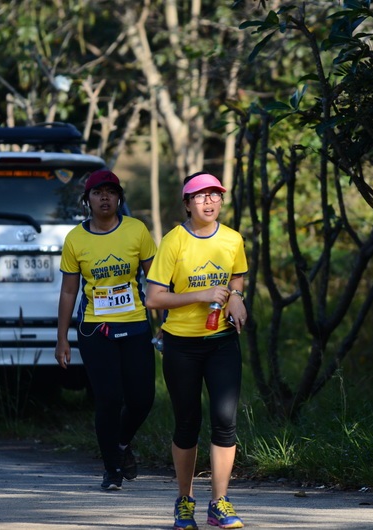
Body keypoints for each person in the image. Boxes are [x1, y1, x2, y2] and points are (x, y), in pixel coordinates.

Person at [145, 172, 248, 529]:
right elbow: (154, 298)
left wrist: (237, 297)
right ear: (187, 203)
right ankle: (184, 501)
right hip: (182, 345)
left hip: (222, 342)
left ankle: (219, 503)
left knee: (225, 421)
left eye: (215, 195)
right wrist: (201, 295)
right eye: (200, 196)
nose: (209, 201)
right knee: (188, 422)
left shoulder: (232, 239)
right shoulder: (174, 241)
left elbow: (237, 277)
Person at [56, 169, 157, 491]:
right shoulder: (76, 239)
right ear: (87, 199)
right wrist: (61, 339)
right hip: (95, 329)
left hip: (136, 325)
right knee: (108, 398)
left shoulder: (136, 230)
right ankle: (111, 469)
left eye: (111, 192)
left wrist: (167, 323)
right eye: (98, 192)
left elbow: (156, 281)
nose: (105, 198)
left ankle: (121, 444)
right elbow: (69, 291)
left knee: (142, 399)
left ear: (119, 198)